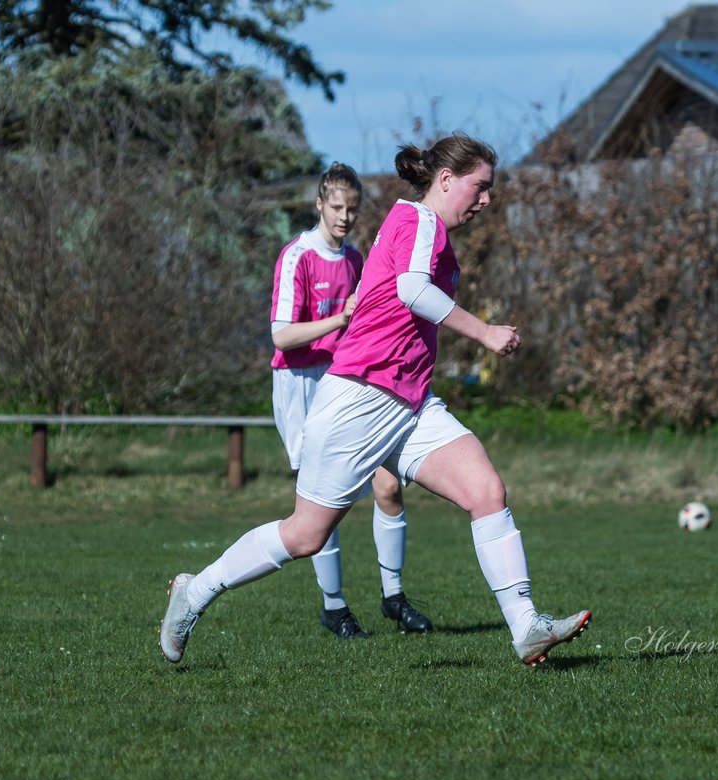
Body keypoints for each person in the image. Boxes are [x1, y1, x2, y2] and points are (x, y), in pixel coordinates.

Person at [161, 133, 591, 667]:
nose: (486, 200)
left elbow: (381, 294)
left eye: (491, 190)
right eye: (480, 188)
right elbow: (412, 290)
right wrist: (483, 332)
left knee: (486, 490)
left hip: (409, 403)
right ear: (446, 179)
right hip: (360, 400)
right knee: (305, 536)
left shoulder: (423, 231)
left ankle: (526, 627)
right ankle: (194, 592)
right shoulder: (417, 221)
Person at [269, 162, 431, 639]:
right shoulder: (297, 256)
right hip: (301, 382)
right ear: (319, 204)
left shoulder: (358, 258)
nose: (344, 217)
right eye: (336, 207)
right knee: (323, 504)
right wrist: (338, 322)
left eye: (352, 209)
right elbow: (281, 336)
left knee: (388, 485)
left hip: (348, 379)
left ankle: (394, 597)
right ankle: (335, 607)